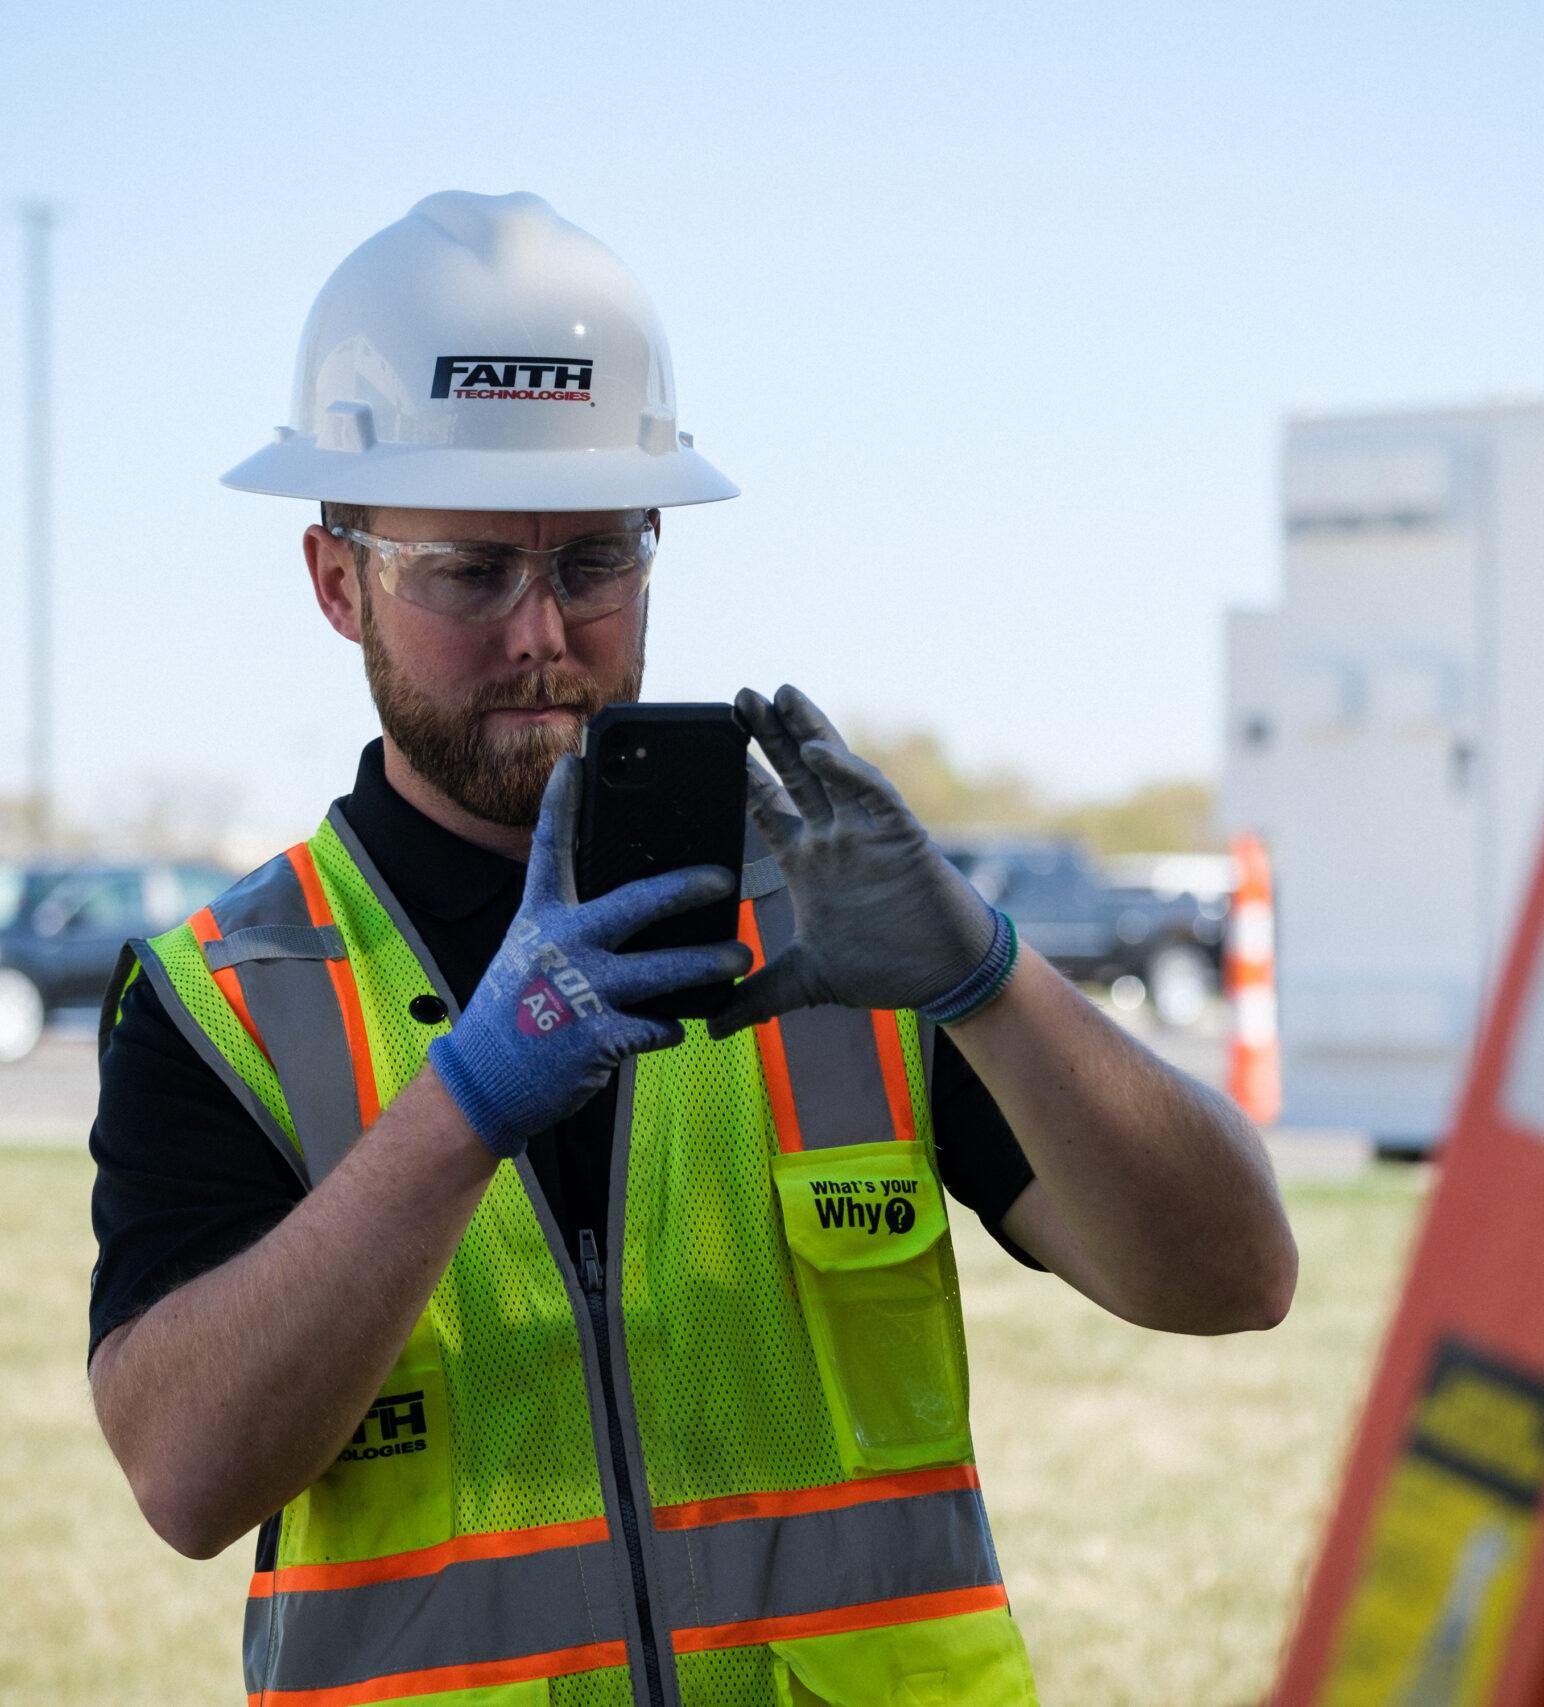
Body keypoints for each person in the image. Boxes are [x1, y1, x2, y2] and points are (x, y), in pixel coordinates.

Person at [85, 190, 1298, 1707]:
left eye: (594, 564)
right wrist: (464, 1106)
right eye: (470, 572)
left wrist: (986, 979)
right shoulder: (232, 998)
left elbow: (1237, 1275)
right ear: (341, 584)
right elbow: (187, 1480)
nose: (542, 635)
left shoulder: (839, 938)